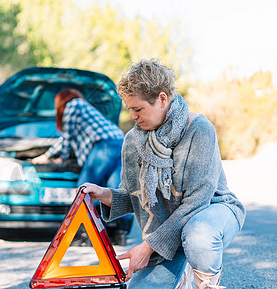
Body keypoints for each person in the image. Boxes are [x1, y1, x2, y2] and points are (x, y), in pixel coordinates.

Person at [82, 58, 245, 288]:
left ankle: (204, 281)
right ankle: (183, 268)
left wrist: (147, 248)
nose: (132, 117)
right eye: (130, 109)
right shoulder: (132, 140)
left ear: (161, 99)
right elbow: (132, 196)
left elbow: (196, 203)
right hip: (167, 232)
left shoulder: (199, 129)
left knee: (198, 236)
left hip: (211, 212)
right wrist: (103, 194)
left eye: (138, 109)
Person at [32, 88, 133, 243]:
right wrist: (47, 155)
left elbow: (67, 137)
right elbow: (65, 139)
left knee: (84, 190)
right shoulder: (84, 107)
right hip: (120, 145)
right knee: (116, 190)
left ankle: (84, 235)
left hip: (103, 147)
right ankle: (121, 233)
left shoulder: (73, 105)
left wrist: (63, 159)